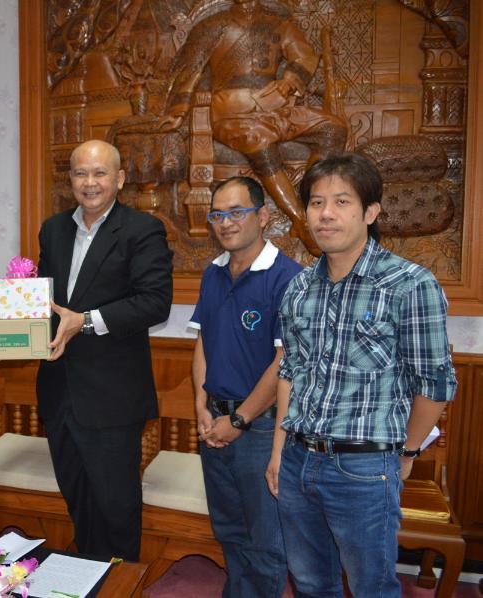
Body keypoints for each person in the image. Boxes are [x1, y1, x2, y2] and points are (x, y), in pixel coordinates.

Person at [265, 153, 458, 597]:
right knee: (310, 583)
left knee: (372, 586)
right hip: (297, 459)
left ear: (371, 212)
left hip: (363, 468)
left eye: (341, 202)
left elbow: (435, 384)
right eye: (316, 203)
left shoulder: (409, 284)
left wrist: (406, 451)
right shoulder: (299, 287)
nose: (325, 214)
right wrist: (278, 452)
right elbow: (290, 372)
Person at [36, 139, 173, 561]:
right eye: (81, 173)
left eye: (100, 173)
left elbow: (154, 302)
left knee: (117, 508)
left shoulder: (142, 229)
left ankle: (121, 582)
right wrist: (10, 327)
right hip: (59, 393)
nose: (89, 182)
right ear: (70, 179)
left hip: (112, 399)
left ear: (120, 178)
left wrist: (85, 320)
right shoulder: (53, 229)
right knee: (78, 500)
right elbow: (47, 303)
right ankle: (90, 579)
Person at [161, 0, 347, 255]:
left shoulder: (278, 23)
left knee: (333, 127)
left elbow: (303, 56)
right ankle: (300, 220)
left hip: (273, 108)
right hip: (231, 112)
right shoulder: (211, 26)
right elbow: (189, 72)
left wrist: (288, 82)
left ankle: (312, 203)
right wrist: (177, 112)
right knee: (257, 139)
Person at [190, 176, 301, 597]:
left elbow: (284, 362)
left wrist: (238, 419)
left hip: (261, 428)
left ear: (263, 215)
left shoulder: (288, 277)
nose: (226, 222)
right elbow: (204, 342)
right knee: (230, 531)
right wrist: (201, 405)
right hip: (214, 424)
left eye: (237, 212)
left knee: (265, 541)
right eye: (217, 214)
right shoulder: (213, 273)